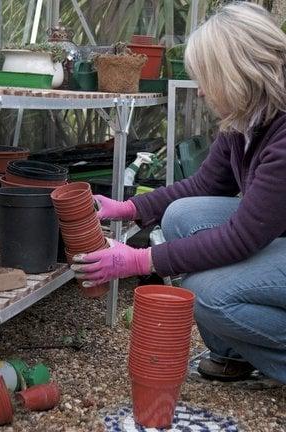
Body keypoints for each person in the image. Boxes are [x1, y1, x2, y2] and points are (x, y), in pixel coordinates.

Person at [72, 2, 286, 384]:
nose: (201, 91)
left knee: (205, 294)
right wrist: (127, 207)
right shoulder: (248, 116)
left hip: (271, 239)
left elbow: (244, 236)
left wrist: (139, 260)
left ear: (237, 73)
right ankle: (235, 352)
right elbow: (204, 186)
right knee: (183, 215)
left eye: (207, 77)